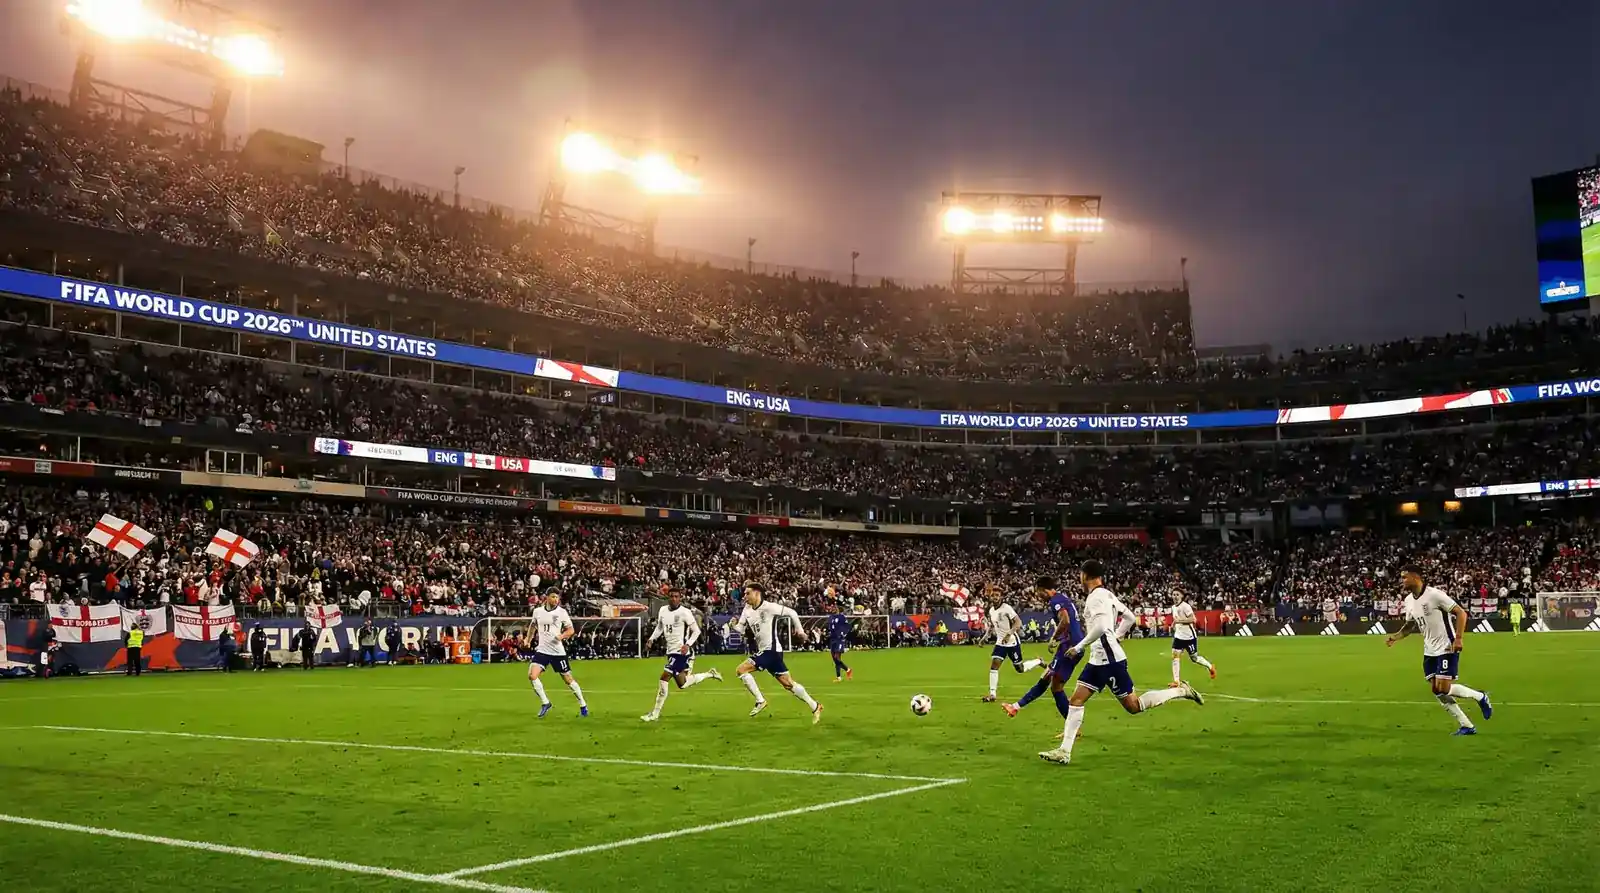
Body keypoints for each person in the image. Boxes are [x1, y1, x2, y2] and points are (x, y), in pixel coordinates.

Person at [1039, 560, 1205, 765]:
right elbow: (1129, 617)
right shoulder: (1108, 594)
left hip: (1109, 661)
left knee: (1134, 706)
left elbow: (1099, 626)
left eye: (1080, 575)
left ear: (1085, 575)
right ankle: (1065, 752)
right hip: (1099, 659)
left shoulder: (1095, 597)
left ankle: (1181, 691)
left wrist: (1079, 646)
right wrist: (1116, 635)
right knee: (1076, 700)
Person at [1386, 565, 1493, 735]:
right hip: (1429, 650)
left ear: (1416, 577)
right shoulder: (1408, 600)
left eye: (1405, 577)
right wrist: (1395, 637)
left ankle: (1480, 697)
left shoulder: (1434, 595)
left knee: (1443, 687)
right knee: (1437, 690)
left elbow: (1461, 613)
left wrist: (1458, 638)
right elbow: (1409, 626)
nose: (1402, 581)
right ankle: (1467, 725)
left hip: (1446, 646)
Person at [732, 582, 823, 723]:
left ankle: (760, 700)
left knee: (741, 670)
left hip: (772, 650)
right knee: (788, 684)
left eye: (747, 593)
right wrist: (734, 625)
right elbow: (741, 630)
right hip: (765, 651)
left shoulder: (769, 607)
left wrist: (800, 630)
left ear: (757, 593)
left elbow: (792, 613)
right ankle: (815, 706)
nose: (744, 596)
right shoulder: (747, 609)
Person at [1001, 577, 1081, 721]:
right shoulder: (1062, 598)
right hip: (1074, 645)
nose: (1038, 595)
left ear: (1043, 589)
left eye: (1038, 592)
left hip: (1069, 646)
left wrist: (1053, 638)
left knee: (1051, 682)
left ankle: (1015, 707)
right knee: (1052, 683)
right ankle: (1015, 707)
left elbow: (1065, 620)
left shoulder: (1055, 600)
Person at [641, 589, 722, 722]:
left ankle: (654, 713)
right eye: (671, 596)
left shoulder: (685, 612)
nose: (674, 599)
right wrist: (651, 639)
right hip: (671, 651)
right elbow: (660, 628)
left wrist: (688, 644)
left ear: (680, 598)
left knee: (664, 678)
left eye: (676, 597)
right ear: (668, 598)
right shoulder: (662, 611)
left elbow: (696, 631)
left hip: (681, 653)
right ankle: (710, 674)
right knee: (683, 684)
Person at [528, 591, 588, 718]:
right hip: (542, 650)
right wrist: (528, 640)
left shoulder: (562, 612)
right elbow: (532, 626)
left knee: (568, 679)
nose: (556, 599)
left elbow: (571, 630)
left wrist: (561, 636)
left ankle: (583, 704)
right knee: (532, 676)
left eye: (557, 597)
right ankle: (545, 703)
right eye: (553, 597)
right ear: (547, 597)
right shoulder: (538, 611)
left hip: (557, 652)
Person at [983, 595, 1043, 702]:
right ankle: (992, 694)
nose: (995, 597)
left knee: (1020, 668)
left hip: (1012, 642)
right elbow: (992, 626)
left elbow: (1018, 622)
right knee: (994, 665)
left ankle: (1038, 661)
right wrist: (984, 637)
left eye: (997, 595)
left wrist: (1009, 634)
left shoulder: (1007, 608)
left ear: (1000, 597)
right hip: (1000, 643)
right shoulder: (992, 610)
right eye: (993, 595)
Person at [1169, 592, 1216, 686]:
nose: (1175, 596)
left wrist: (1179, 621)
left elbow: (1192, 620)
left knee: (1194, 658)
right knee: (1175, 657)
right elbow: (1176, 619)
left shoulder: (1185, 606)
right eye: (1173, 594)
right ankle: (1176, 681)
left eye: (1177, 594)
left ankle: (1210, 667)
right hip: (1178, 637)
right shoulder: (1173, 607)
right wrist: (1174, 624)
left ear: (1182, 596)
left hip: (1189, 637)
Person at [826, 601, 853, 682]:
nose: (833, 609)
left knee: (837, 657)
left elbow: (847, 626)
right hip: (832, 639)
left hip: (839, 639)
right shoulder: (830, 617)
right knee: (835, 659)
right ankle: (839, 677)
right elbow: (830, 627)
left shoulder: (842, 617)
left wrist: (843, 634)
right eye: (832, 608)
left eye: (834, 608)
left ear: (837, 609)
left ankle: (848, 670)